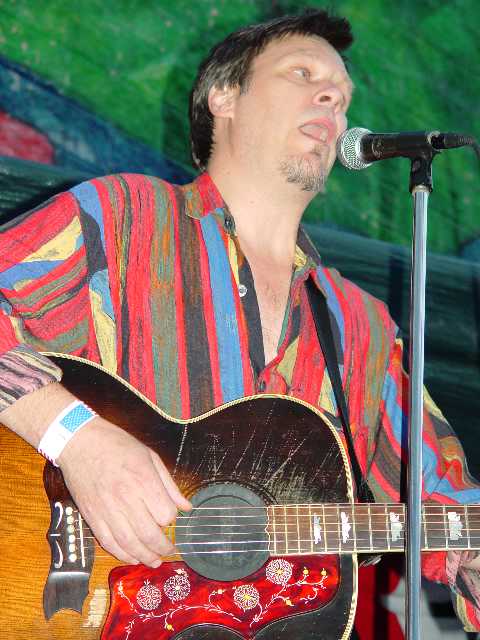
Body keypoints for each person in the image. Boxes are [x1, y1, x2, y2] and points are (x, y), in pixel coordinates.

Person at [0, 8, 479, 634]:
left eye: (342, 94)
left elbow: (448, 503)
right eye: (302, 74)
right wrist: (78, 441)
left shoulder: (360, 323)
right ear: (222, 96)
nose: (334, 98)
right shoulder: (123, 218)